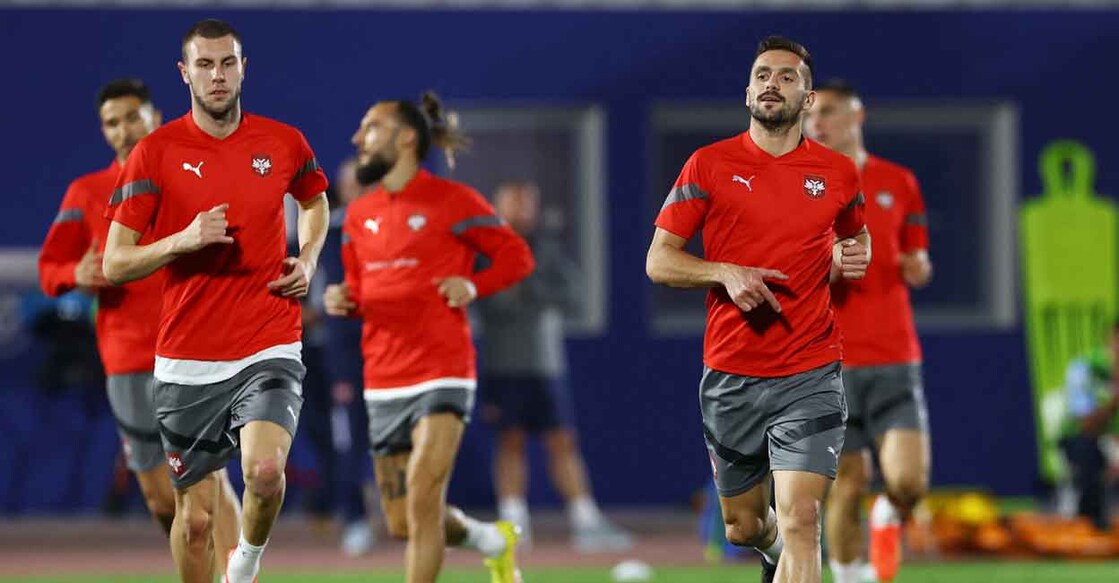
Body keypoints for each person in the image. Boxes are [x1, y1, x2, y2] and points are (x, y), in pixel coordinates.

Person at [101, 19, 330, 583]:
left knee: (266, 470)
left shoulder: (283, 142)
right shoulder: (155, 153)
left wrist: (307, 259)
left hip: (269, 340)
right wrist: (182, 240)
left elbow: (314, 201)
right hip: (187, 357)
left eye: (227, 63)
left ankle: (244, 565)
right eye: (204, 65)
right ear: (185, 74)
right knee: (196, 521)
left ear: (243, 68)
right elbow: (114, 263)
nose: (218, 75)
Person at [646, 36, 870, 583]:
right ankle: (771, 551)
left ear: (807, 99)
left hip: (810, 369)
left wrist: (854, 255)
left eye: (787, 76)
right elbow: (659, 261)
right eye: (763, 75)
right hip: (731, 373)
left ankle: (791, 549)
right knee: (744, 527)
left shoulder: (838, 172)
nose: (773, 83)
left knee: (803, 517)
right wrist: (724, 271)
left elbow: (855, 236)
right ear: (748, 92)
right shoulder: (708, 164)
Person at [324, 91, 533, 583]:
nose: (358, 138)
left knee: (422, 494)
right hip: (383, 377)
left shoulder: (455, 201)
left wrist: (473, 285)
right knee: (403, 521)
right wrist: (345, 299)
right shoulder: (356, 217)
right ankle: (489, 539)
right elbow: (364, 290)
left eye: (371, 128)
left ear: (405, 138)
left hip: (443, 370)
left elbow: (517, 257)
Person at [38, 78, 241, 572]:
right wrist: (74, 274)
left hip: (192, 352)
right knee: (161, 500)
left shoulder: (194, 179)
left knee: (208, 480)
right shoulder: (86, 192)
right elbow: (49, 269)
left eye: (133, 117)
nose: (124, 130)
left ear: (155, 116)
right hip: (127, 360)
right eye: (112, 123)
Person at [804, 80, 933, 583]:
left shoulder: (899, 181)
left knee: (909, 482)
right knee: (847, 483)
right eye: (811, 113)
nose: (818, 122)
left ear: (857, 116)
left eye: (829, 111)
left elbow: (916, 252)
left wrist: (918, 266)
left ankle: (889, 515)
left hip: (895, 355)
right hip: (830, 361)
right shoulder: (803, 186)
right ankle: (850, 576)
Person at [475, 181, 632, 552]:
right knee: (509, 440)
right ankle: (514, 524)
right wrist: (513, 289)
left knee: (562, 440)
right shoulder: (485, 250)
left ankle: (585, 520)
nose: (522, 210)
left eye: (527, 203)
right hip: (503, 364)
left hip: (546, 365)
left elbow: (574, 295)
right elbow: (486, 299)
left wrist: (530, 288)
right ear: (499, 207)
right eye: (514, 203)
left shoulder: (548, 249)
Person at [1058, 322, 1119, 532]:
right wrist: (1115, 396)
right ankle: (1090, 526)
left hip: (1114, 442)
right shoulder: (1084, 368)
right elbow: (1086, 424)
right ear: (1111, 341)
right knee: (1086, 450)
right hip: (1082, 439)